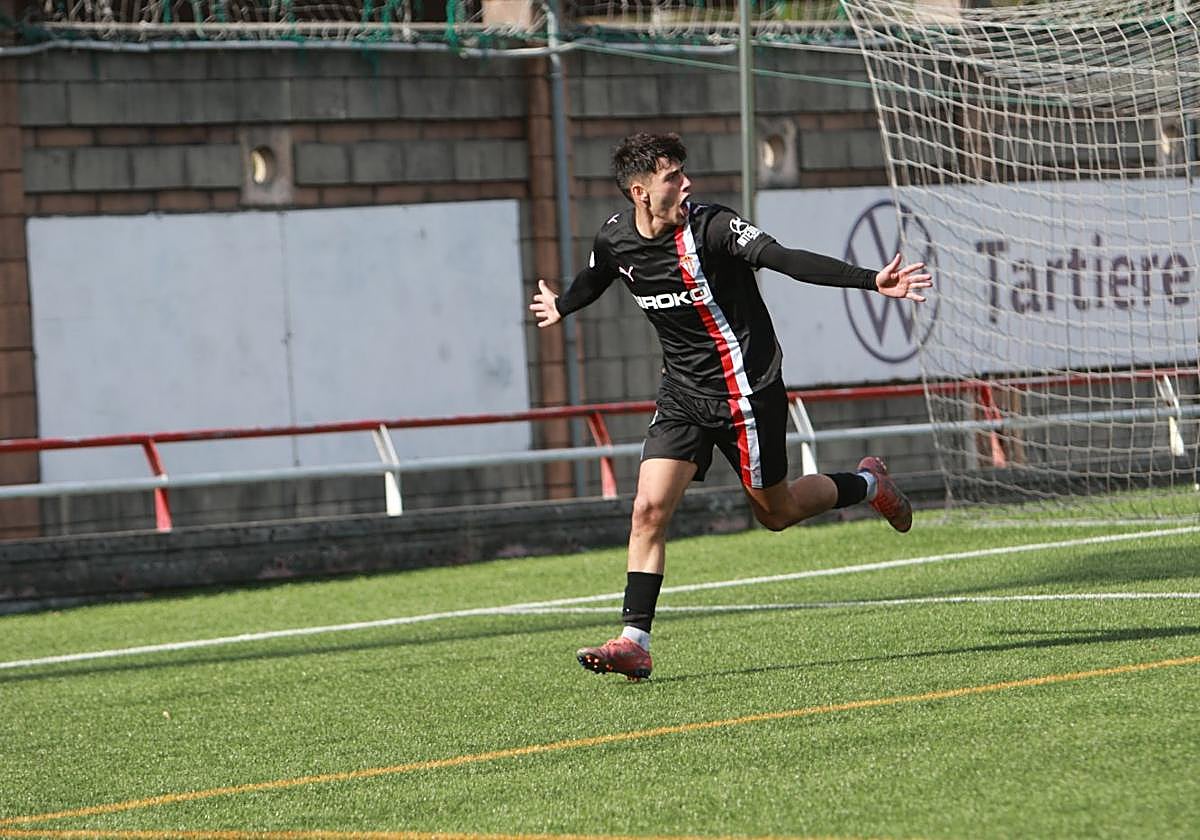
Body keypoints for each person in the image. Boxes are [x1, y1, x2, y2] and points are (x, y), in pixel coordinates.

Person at [529, 132, 932, 681]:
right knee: (647, 510)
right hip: (682, 396)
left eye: (683, 172)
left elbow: (786, 259)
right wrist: (563, 305)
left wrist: (870, 280)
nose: (687, 182)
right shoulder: (618, 237)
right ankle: (634, 641)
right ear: (641, 192)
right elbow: (596, 275)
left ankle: (868, 483)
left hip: (747, 391)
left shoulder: (714, 228)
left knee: (777, 513)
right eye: (674, 176)